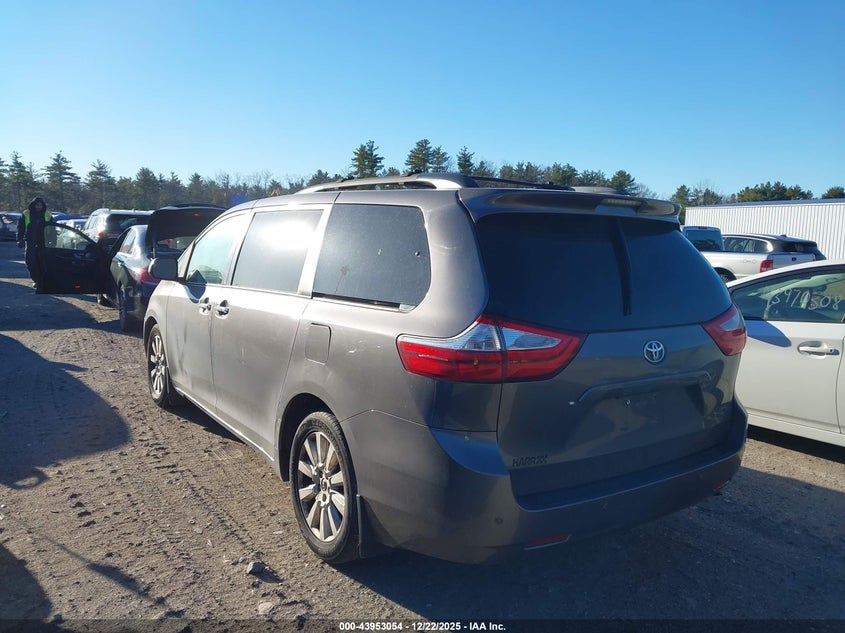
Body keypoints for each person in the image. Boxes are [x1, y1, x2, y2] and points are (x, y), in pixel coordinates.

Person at [16, 196, 52, 290]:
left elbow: (52, 230)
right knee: (30, 262)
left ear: (43, 205)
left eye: (40, 205)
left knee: (43, 262)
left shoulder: (47, 215)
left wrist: (53, 242)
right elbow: (20, 228)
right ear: (33, 204)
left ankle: (42, 281)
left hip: (43, 243)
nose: (39, 207)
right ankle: (36, 280)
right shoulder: (26, 214)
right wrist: (19, 239)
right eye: (37, 205)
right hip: (30, 241)